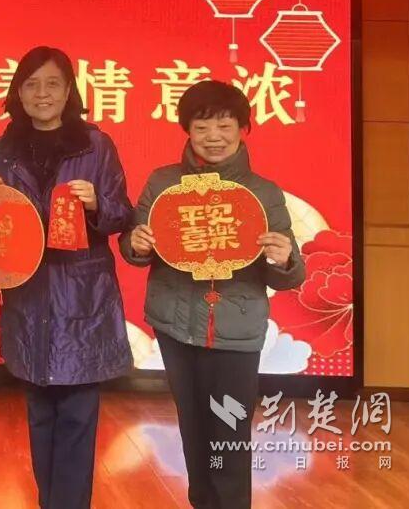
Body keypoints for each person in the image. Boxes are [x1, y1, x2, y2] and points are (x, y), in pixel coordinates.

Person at [118, 80, 307, 509]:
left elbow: (288, 275)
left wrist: (283, 259)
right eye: (202, 127)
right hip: (176, 327)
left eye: (224, 126)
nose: (213, 137)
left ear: (243, 128)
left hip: (235, 333)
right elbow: (135, 247)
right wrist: (137, 243)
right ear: (187, 130)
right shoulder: (164, 182)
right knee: (194, 432)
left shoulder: (263, 192)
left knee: (229, 436)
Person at [0, 46, 134, 509]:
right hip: (28, 295)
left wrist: (96, 204)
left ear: (69, 91)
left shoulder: (95, 144)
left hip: (82, 295)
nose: (42, 94)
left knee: (78, 414)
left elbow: (122, 214)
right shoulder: (4, 150)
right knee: (39, 412)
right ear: (18, 92)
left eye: (52, 84)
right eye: (31, 84)